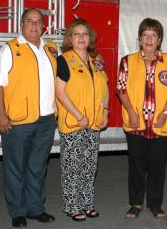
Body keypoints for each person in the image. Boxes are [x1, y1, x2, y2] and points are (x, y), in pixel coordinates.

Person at [0, 8, 57, 227]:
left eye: (39, 22)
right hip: (18, 121)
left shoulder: (51, 49)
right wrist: (1, 115)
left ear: (44, 26)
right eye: (30, 21)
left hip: (46, 120)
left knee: (38, 167)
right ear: (21, 24)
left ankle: (36, 208)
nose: (34, 26)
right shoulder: (10, 49)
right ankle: (17, 211)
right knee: (15, 167)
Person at [117, 18, 167, 219]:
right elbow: (121, 89)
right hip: (136, 124)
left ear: (159, 39)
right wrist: (132, 113)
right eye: (145, 35)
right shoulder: (127, 61)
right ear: (140, 39)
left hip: (160, 123)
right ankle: (136, 203)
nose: (149, 39)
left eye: (153, 35)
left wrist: (164, 114)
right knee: (136, 165)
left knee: (157, 166)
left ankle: (154, 204)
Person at [55, 19, 109, 222]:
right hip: (73, 124)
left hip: (94, 123)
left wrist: (105, 110)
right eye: (76, 34)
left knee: (89, 166)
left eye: (84, 34)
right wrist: (79, 115)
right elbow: (60, 92)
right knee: (72, 167)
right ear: (70, 38)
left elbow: (104, 87)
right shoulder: (64, 60)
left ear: (90, 38)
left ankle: (87, 204)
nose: (80, 38)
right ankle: (72, 206)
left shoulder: (97, 60)